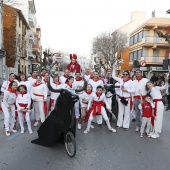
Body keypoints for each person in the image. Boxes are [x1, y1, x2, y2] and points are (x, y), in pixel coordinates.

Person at [146, 74, 169, 139]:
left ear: (152, 84)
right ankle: (154, 131)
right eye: (148, 85)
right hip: (154, 104)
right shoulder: (150, 92)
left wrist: (166, 81)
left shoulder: (156, 88)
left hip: (159, 104)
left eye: (150, 84)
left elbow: (164, 87)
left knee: (158, 118)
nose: (149, 86)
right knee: (154, 118)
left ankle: (157, 133)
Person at [112, 66, 135, 130]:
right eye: (124, 74)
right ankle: (119, 124)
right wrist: (114, 69)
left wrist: (127, 90)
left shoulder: (131, 82)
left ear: (128, 75)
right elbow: (113, 76)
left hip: (127, 98)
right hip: (120, 98)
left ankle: (126, 125)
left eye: (126, 74)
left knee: (127, 112)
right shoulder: (120, 80)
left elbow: (133, 90)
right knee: (120, 112)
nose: (125, 75)